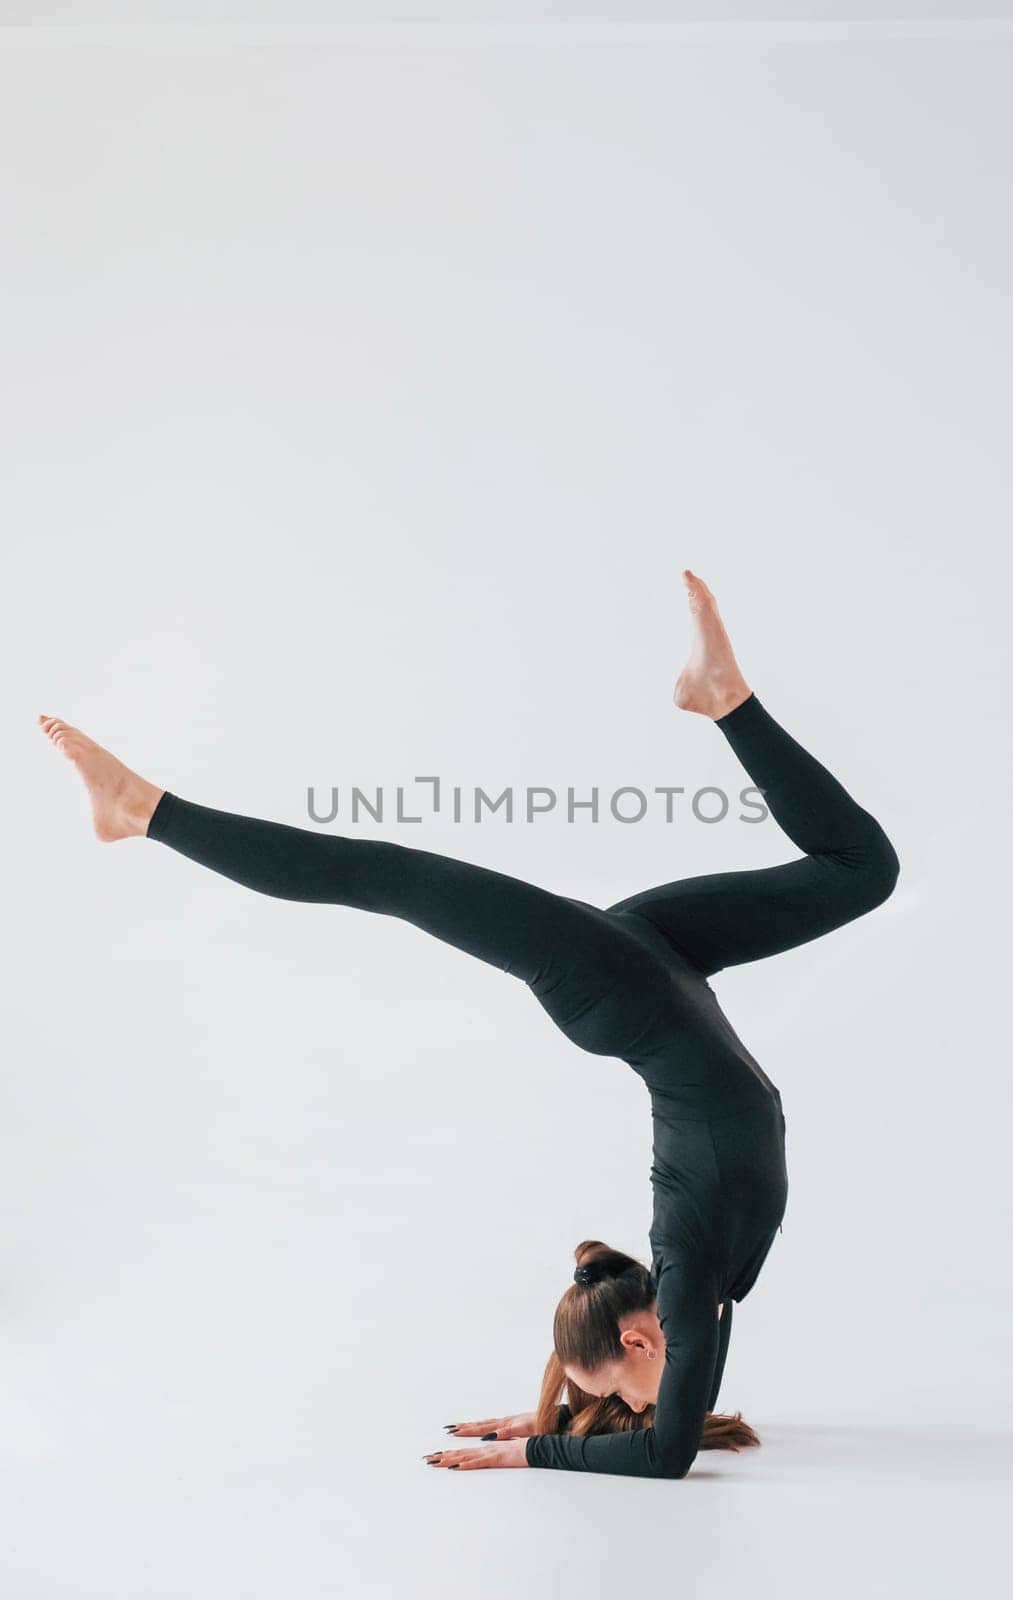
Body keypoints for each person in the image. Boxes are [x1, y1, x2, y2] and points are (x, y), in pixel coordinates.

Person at [37, 570, 899, 1480]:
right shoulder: (699, 1297)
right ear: (641, 1343)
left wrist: (532, 1446)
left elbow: (659, 1451)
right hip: (661, 967)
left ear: (643, 1342)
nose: (630, 1407)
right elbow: (668, 1448)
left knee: (394, 877)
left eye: (607, 1397)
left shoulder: (687, 1279)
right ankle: (722, 701)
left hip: (626, 992)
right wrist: (548, 1425)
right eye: (615, 1403)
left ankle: (143, 813)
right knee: (859, 870)